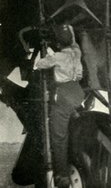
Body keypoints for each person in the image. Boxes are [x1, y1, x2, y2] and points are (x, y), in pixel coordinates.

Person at [35, 24, 84, 188]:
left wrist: (46, 50)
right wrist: (69, 31)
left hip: (63, 94)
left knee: (58, 137)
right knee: (71, 121)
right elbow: (74, 44)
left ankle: (62, 177)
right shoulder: (77, 52)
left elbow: (39, 64)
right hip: (77, 92)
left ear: (57, 44)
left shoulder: (57, 57)